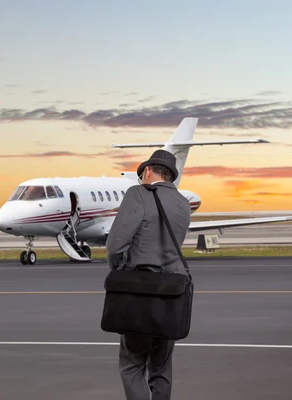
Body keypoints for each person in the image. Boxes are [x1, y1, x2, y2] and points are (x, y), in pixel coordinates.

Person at [105, 149, 192, 400]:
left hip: (141, 292)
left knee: (132, 365)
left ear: (147, 171)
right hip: (172, 295)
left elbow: (115, 245)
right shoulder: (183, 203)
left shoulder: (138, 193)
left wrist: (119, 272)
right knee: (161, 367)